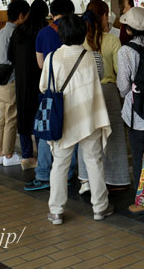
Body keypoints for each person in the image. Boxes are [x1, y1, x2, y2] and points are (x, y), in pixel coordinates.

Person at [43, 14, 113, 225]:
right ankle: (100, 207)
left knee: (60, 164)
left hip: (62, 118)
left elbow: (44, 87)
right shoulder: (94, 57)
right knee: (94, 161)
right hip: (89, 116)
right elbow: (99, 78)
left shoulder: (52, 58)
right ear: (83, 32)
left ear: (61, 34)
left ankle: (56, 211)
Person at [28, 0, 75, 190]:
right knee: (72, 131)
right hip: (73, 87)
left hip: (50, 88)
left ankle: (43, 174)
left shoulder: (43, 33)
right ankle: (70, 173)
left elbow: (40, 64)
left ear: (52, 13)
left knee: (48, 131)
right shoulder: (76, 29)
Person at [116, 6, 144, 214]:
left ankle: (142, 201)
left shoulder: (126, 51)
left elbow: (123, 86)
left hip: (137, 113)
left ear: (129, 30)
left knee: (139, 156)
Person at [81, 0, 128, 189]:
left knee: (87, 135)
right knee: (114, 136)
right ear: (103, 16)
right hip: (109, 91)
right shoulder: (112, 40)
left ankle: (86, 178)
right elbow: (120, 71)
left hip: (85, 92)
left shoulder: (80, 40)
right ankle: (117, 179)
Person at [9, 0, 48, 173]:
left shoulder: (18, 32)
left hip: (22, 81)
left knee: (24, 117)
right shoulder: (44, 31)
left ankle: (26, 156)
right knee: (41, 118)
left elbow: (10, 56)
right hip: (41, 81)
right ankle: (42, 157)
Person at [0, 0, 30, 168]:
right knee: (12, 117)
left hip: (0, 79)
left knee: (1, 116)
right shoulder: (16, 33)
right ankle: (8, 154)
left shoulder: (1, 31)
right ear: (21, 15)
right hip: (11, 79)